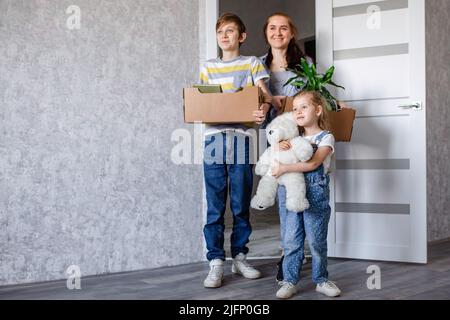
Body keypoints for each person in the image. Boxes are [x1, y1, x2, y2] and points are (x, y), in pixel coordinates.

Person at [200, 13, 272, 288]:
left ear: (241, 37)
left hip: (242, 140)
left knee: (241, 203)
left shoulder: (251, 63)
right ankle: (215, 261)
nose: (225, 35)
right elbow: (205, 103)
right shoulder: (208, 67)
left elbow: (264, 96)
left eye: (231, 31)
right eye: (221, 31)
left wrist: (262, 110)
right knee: (215, 206)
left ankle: (240, 257)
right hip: (214, 140)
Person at [271, 90, 342, 299]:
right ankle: (289, 281)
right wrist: (279, 146)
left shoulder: (326, 137)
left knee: (317, 240)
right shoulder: (293, 138)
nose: (298, 112)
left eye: (304, 107)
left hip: (315, 193)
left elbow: (313, 163)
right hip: (291, 192)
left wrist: (285, 168)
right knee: (291, 241)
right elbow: (277, 157)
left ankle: (321, 279)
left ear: (318, 110)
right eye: (294, 109)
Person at [260, 12, 312, 283]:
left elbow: (316, 99)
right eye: (272, 28)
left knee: (306, 197)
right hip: (276, 142)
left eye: (283, 28)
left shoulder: (306, 65)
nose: (278, 33)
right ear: (266, 33)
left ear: (291, 33)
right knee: (285, 199)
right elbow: (250, 104)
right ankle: (289, 253)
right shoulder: (257, 66)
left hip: (303, 142)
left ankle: (302, 252)